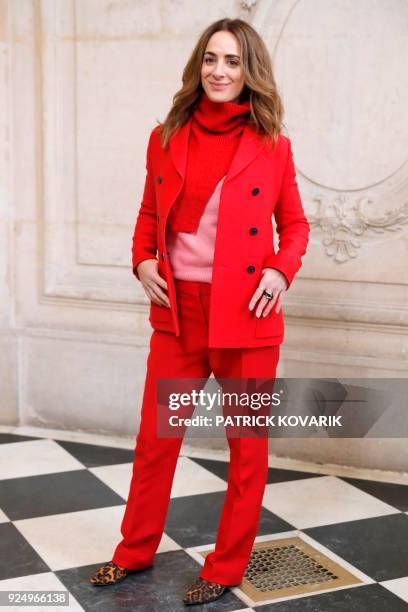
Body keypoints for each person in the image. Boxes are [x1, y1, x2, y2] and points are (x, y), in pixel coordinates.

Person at [89, 17, 309, 606]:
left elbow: (295, 227)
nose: (219, 71)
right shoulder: (165, 136)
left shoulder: (272, 147)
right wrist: (141, 263)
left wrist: (278, 270)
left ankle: (225, 567)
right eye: (211, 58)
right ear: (198, 66)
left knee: (247, 449)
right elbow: (145, 214)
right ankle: (132, 552)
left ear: (249, 72)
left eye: (233, 61)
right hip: (179, 314)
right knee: (156, 441)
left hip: (246, 319)